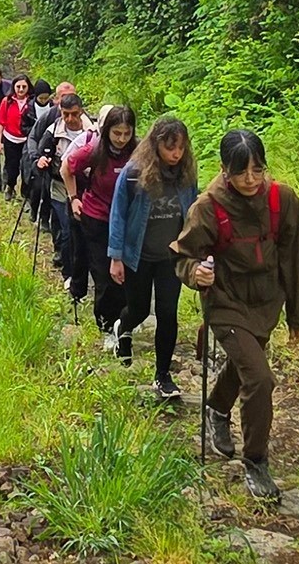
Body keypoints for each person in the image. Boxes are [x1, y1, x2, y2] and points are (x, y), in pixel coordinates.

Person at [171, 129, 299, 500]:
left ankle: (216, 408)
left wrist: (298, 317)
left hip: (266, 302)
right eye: (241, 172)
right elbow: (183, 257)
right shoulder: (207, 207)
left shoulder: (284, 200)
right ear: (224, 170)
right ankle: (256, 463)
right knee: (261, 378)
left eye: (257, 170)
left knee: (246, 366)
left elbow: (296, 260)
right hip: (226, 302)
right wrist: (196, 272)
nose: (250, 180)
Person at [108, 117, 198, 399]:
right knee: (139, 310)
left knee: (168, 314)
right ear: (156, 144)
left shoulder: (186, 176)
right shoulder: (134, 173)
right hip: (139, 255)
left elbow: (194, 213)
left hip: (170, 258)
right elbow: (118, 213)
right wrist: (116, 256)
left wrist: (195, 249)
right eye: (170, 148)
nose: (176, 154)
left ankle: (163, 375)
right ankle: (123, 327)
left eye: (181, 148)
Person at [62, 106, 136, 343]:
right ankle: (105, 326)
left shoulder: (138, 152)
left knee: (127, 273)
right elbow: (67, 168)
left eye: (126, 133)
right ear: (107, 132)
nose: (122, 139)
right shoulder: (94, 150)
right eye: (117, 133)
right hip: (97, 218)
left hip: (127, 220)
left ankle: (124, 322)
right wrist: (74, 199)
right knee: (104, 274)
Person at [37, 94, 95, 293]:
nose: (70, 119)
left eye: (74, 114)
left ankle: (83, 271)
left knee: (82, 231)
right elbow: (41, 150)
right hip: (59, 185)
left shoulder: (92, 131)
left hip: (86, 188)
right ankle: (69, 273)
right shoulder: (53, 130)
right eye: (66, 114)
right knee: (67, 229)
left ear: (81, 111)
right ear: (60, 111)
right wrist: (41, 160)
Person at [25, 81, 74, 248]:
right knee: (47, 198)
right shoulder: (50, 117)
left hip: (73, 177)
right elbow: (33, 137)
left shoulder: (83, 119)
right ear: (57, 100)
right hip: (50, 171)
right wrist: (35, 157)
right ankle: (58, 246)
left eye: (72, 97)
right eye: (64, 98)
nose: (68, 101)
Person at [0, 74, 33, 201]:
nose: (21, 89)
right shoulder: (7, 101)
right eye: (18, 86)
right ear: (13, 87)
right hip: (10, 139)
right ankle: (10, 186)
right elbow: (1, 121)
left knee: (26, 168)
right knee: (12, 166)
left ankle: (25, 194)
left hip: (27, 140)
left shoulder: (32, 103)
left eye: (24, 86)